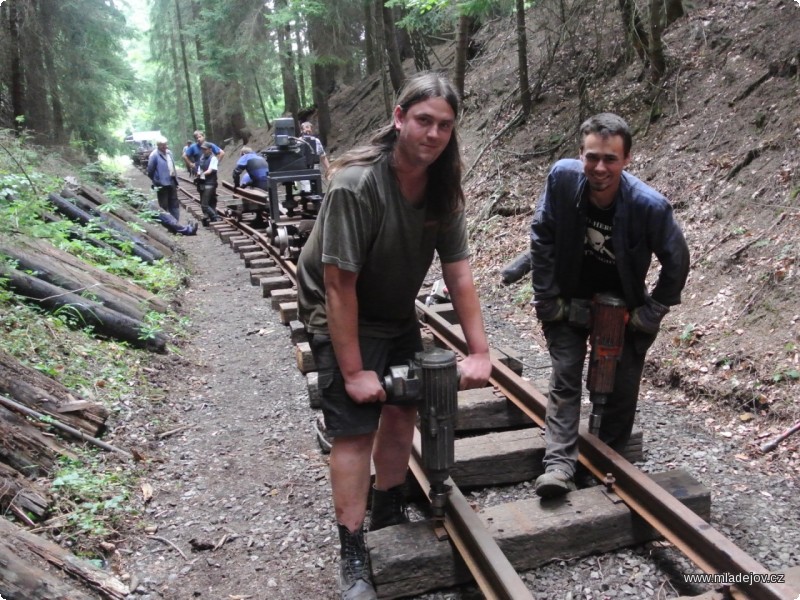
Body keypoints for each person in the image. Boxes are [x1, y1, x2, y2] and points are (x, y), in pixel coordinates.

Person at [296, 72, 492, 600]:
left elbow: (459, 273)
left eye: (444, 126)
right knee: (355, 427)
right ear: (399, 117)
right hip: (339, 306)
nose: (432, 134)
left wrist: (480, 350)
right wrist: (356, 371)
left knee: (403, 405)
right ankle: (353, 548)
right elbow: (339, 285)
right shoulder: (356, 184)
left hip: (392, 308)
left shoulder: (442, 187)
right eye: (423, 120)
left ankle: (387, 505)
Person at [530, 112, 690, 499]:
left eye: (610, 159)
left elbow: (677, 260)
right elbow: (543, 235)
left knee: (620, 388)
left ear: (627, 159)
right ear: (580, 153)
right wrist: (547, 299)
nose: (599, 168)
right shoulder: (562, 180)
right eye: (592, 157)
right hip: (569, 296)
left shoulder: (649, 206)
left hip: (624, 306)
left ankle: (609, 466)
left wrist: (652, 311)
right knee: (565, 379)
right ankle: (559, 466)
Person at [146, 138, 181, 222]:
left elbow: (173, 166)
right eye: (163, 145)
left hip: (172, 181)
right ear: (158, 146)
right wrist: (157, 180)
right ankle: (168, 223)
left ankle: (176, 222)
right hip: (161, 184)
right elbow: (150, 171)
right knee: (164, 205)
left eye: (166, 144)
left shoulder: (169, 153)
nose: (165, 146)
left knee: (174, 204)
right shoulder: (154, 155)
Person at [298, 122, 330, 193]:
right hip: (303, 170)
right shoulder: (298, 142)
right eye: (306, 128)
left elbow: (323, 156)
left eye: (309, 128)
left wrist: (329, 169)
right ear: (302, 130)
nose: (308, 131)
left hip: (315, 169)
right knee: (307, 190)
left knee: (317, 189)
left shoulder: (316, 141)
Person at [195, 141, 221, 226]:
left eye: (205, 149)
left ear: (210, 149)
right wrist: (198, 174)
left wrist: (200, 174)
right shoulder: (202, 157)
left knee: (204, 204)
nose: (203, 151)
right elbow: (199, 168)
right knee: (211, 201)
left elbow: (210, 171)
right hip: (203, 182)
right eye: (202, 149)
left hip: (210, 183)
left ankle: (215, 217)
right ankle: (209, 217)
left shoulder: (213, 158)